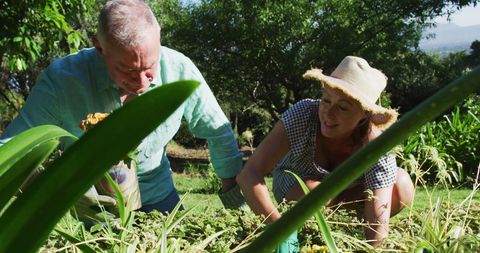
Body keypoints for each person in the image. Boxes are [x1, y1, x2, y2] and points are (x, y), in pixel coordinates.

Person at [0, 0, 246, 216]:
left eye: (150, 67)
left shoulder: (181, 71)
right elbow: (12, 150)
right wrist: (49, 195)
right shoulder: (62, 82)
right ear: (99, 48)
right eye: (128, 70)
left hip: (159, 196)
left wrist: (235, 203)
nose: (142, 82)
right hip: (92, 209)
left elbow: (218, 132)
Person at [237, 56, 415, 248]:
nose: (328, 114)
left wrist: (371, 248)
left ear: (365, 114)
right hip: (296, 186)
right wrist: (277, 231)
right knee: (313, 191)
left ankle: (338, 224)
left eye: (343, 107)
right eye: (326, 100)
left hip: (350, 195)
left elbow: (377, 229)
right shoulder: (304, 114)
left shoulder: (376, 146)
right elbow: (249, 174)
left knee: (402, 185)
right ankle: (305, 224)